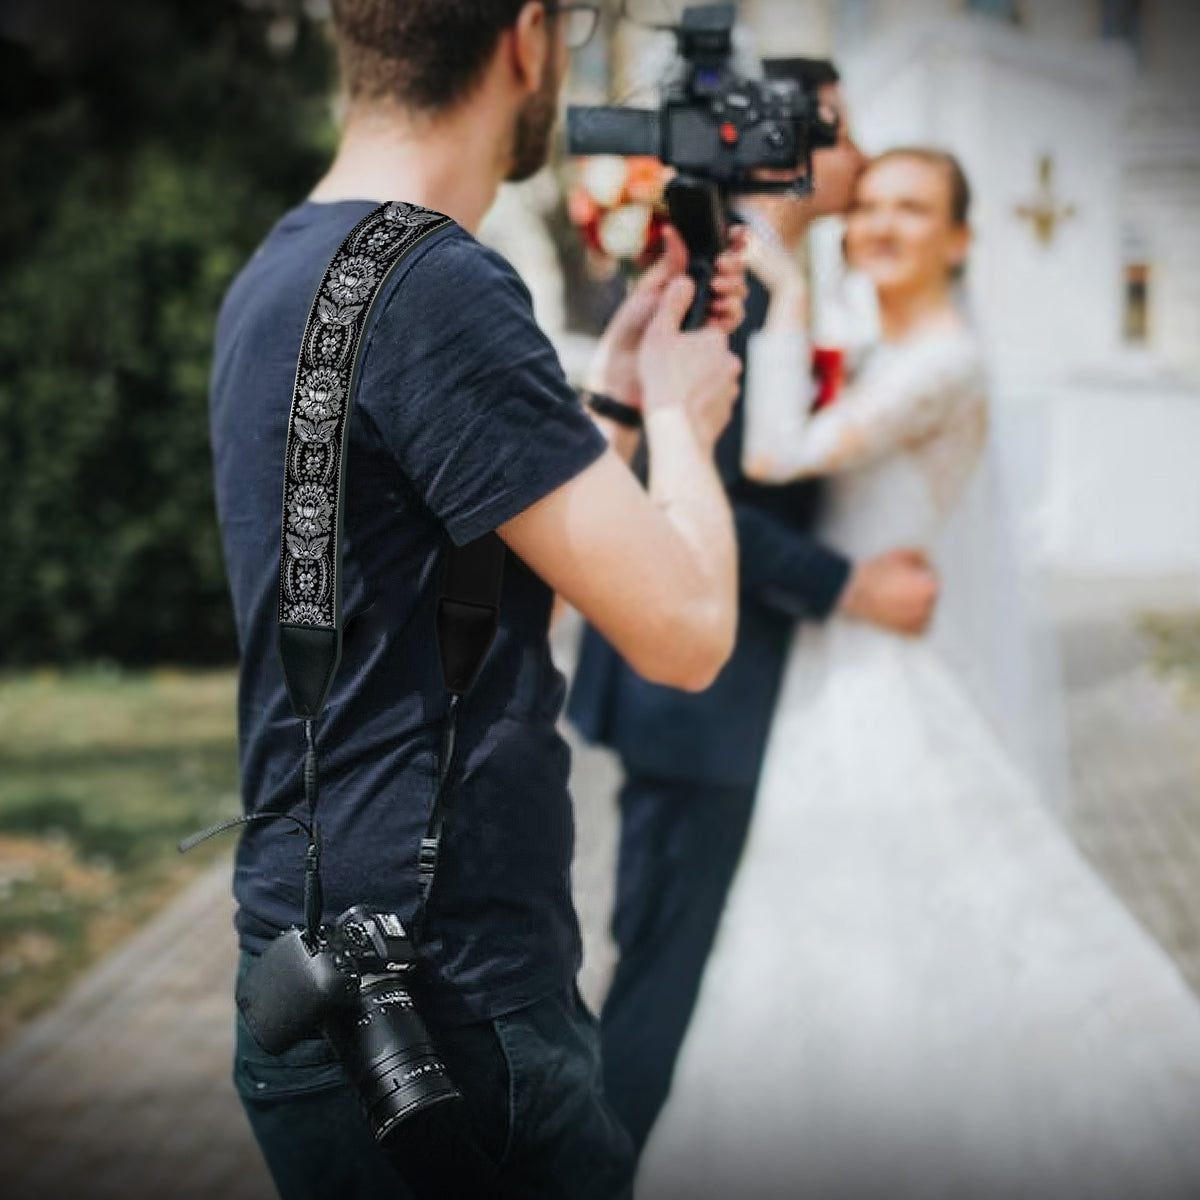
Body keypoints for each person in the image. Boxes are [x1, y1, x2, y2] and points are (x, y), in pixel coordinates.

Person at [207, 2, 751, 1197]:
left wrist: (605, 409)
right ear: (527, 39)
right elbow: (690, 634)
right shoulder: (441, 285)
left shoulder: (291, 268)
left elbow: (466, 619)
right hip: (453, 1016)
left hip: (315, 985)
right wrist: (680, 418)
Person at [637, 148, 1200, 1200]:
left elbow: (772, 457)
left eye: (915, 208)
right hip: (840, 657)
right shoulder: (891, 349)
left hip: (876, 675)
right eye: (876, 204)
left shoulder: (945, 362)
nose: (883, 223)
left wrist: (790, 289)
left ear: (961, 239)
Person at [567, 57, 940, 1156]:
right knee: (659, 979)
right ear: (789, 143)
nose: (862, 159)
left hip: (743, 690)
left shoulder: (783, 282)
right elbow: (705, 490)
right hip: (698, 702)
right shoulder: (742, 291)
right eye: (846, 133)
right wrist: (848, 584)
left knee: (688, 966)